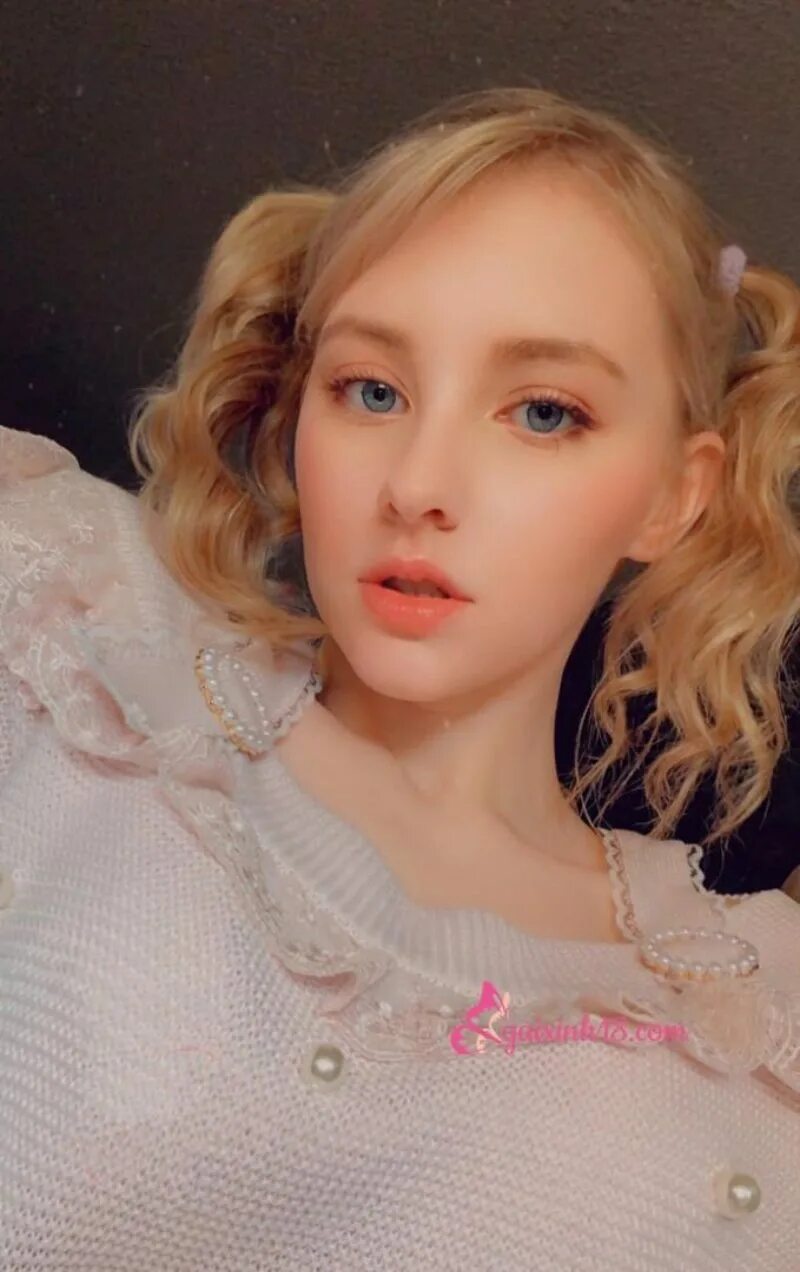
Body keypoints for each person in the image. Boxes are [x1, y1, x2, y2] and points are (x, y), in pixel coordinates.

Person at [1, 85, 798, 1270]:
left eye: (542, 412)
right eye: (370, 390)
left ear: (671, 495)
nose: (418, 483)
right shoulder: (69, 635)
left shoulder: (744, 1029)